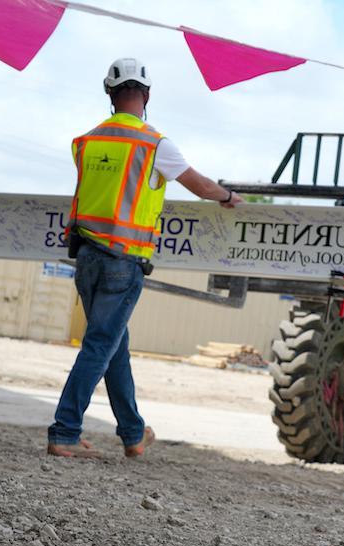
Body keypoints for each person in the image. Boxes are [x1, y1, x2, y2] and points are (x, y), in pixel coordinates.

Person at [47, 58, 243, 459]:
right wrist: (227, 197)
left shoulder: (85, 142)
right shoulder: (154, 144)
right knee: (101, 344)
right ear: (147, 95)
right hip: (123, 262)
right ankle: (65, 432)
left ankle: (133, 435)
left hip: (85, 257)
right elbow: (201, 185)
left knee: (113, 344)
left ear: (109, 95)